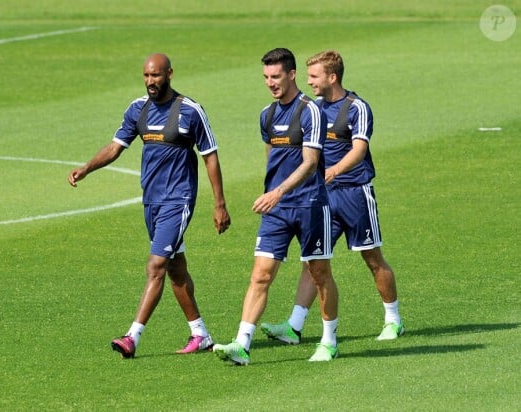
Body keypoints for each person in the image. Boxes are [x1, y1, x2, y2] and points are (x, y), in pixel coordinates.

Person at [68, 53, 231, 358]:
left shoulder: (190, 111)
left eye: (155, 76)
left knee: (155, 265)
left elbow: (210, 156)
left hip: (178, 200)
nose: (150, 82)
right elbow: (116, 147)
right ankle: (201, 334)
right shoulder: (137, 109)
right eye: (146, 76)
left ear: (169, 74)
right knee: (175, 269)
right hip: (152, 201)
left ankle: (132, 337)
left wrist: (219, 204)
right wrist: (87, 168)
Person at [260, 49, 404, 344]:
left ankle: (393, 319)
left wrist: (334, 170)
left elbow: (359, 150)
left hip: (354, 192)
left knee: (372, 257)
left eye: (314, 76)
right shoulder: (312, 109)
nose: (309, 81)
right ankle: (294, 326)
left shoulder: (356, 108)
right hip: (323, 197)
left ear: (332, 77)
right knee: (314, 261)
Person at [212, 48, 339, 365]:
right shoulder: (266, 116)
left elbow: (310, 163)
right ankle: (242, 344)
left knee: (319, 273)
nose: (270, 83)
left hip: (310, 205)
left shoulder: (311, 112)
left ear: (292, 74)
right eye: (266, 77)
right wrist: (273, 193)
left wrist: (278, 191)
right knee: (260, 276)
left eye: (276, 76)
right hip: (277, 210)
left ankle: (329, 340)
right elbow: (273, 157)